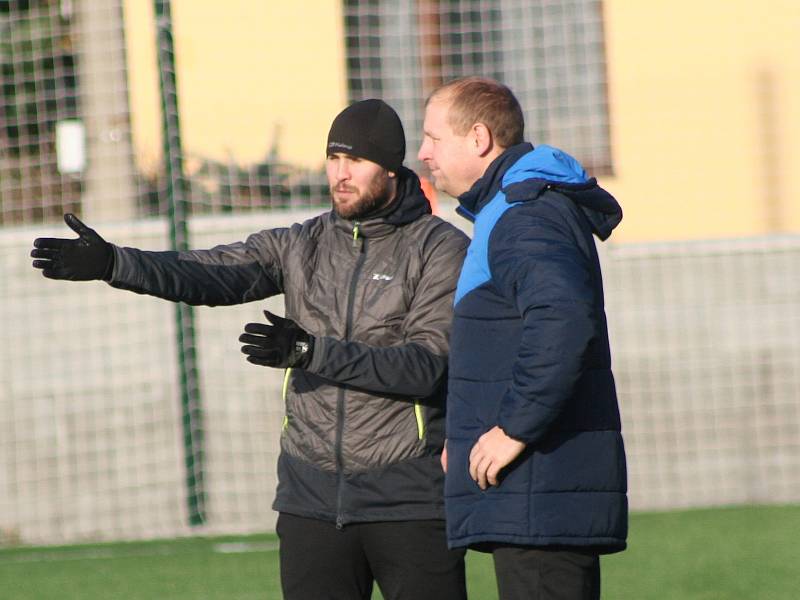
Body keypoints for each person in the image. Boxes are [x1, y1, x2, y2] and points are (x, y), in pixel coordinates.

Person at [31, 99, 470, 600]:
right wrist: (117, 263)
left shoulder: (440, 249)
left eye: (356, 161)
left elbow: (426, 368)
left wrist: (311, 352)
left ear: (392, 169)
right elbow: (210, 271)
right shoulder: (301, 245)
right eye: (333, 159)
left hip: (408, 502)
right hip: (310, 501)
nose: (340, 174)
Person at [417, 76, 628, 600]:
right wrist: (467, 438)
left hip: (542, 494)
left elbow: (562, 319)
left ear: (479, 138)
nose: (422, 154)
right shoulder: (506, 211)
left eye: (432, 138)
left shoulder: (525, 214)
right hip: (532, 494)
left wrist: (513, 428)